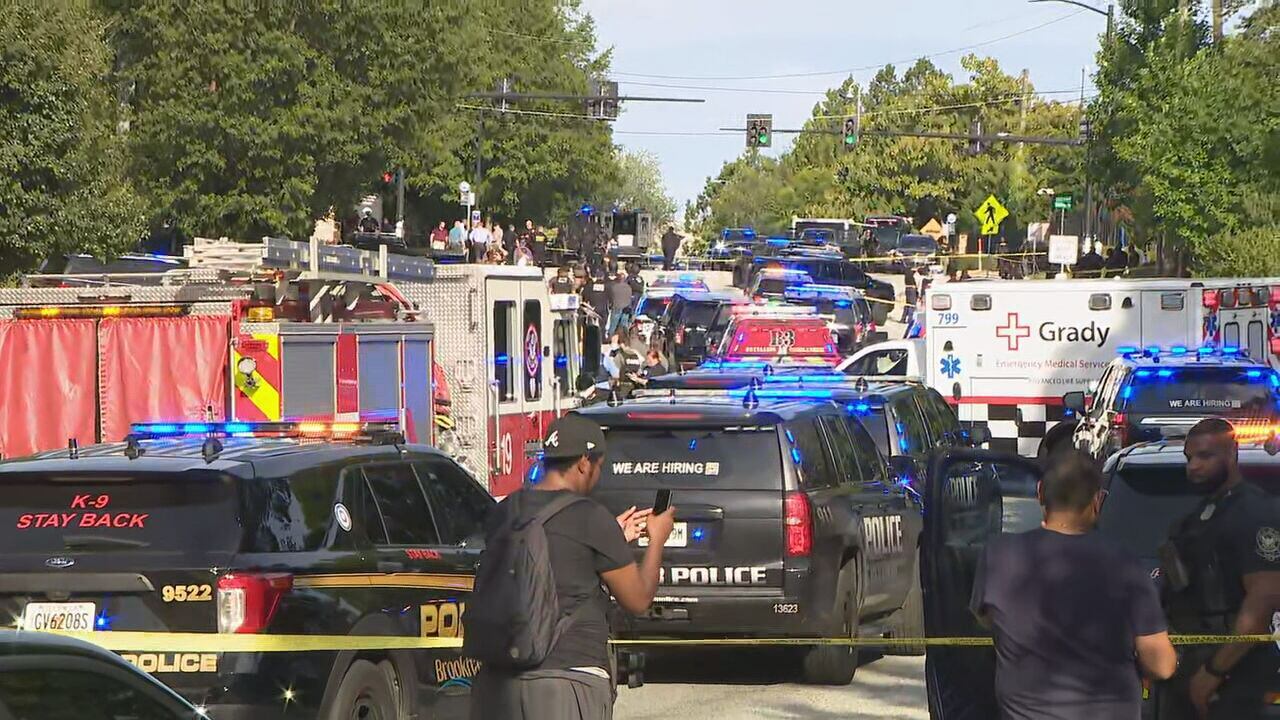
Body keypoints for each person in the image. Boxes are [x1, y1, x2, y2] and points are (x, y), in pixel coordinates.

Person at [468, 415, 676, 720]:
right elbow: (638, 599)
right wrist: (657, 538)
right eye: (599, 466)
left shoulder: (506, 509)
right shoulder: (591, 516)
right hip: (567, 680)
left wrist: (612, 538)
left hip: (497, 683)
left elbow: (557, 553)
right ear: (583, 463)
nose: (597, 475)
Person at [970, 450, 1177, 720]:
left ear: (1040, 492)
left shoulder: (998, 555)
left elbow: (985, 619)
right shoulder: (1125, 565)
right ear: (1097, 501)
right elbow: (1161, 666)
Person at [1160, 419, 1280, 719]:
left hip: (1236, 671)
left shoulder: (1254, 511)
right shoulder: (1202, 515)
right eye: (1189, 458)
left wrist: (1214, 672)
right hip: (1192, 659)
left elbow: (1261, 605)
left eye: (1205, 456)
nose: (1194, 466)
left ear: (1232, 454)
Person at [604, 270, 633, 336]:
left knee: (613, 326)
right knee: (624, 327)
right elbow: (629, 298)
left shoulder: (614, 287)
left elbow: (611, 297)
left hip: (616, 307)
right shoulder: (629, 287)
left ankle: (610, 337)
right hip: (626, 309)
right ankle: (624, 338)